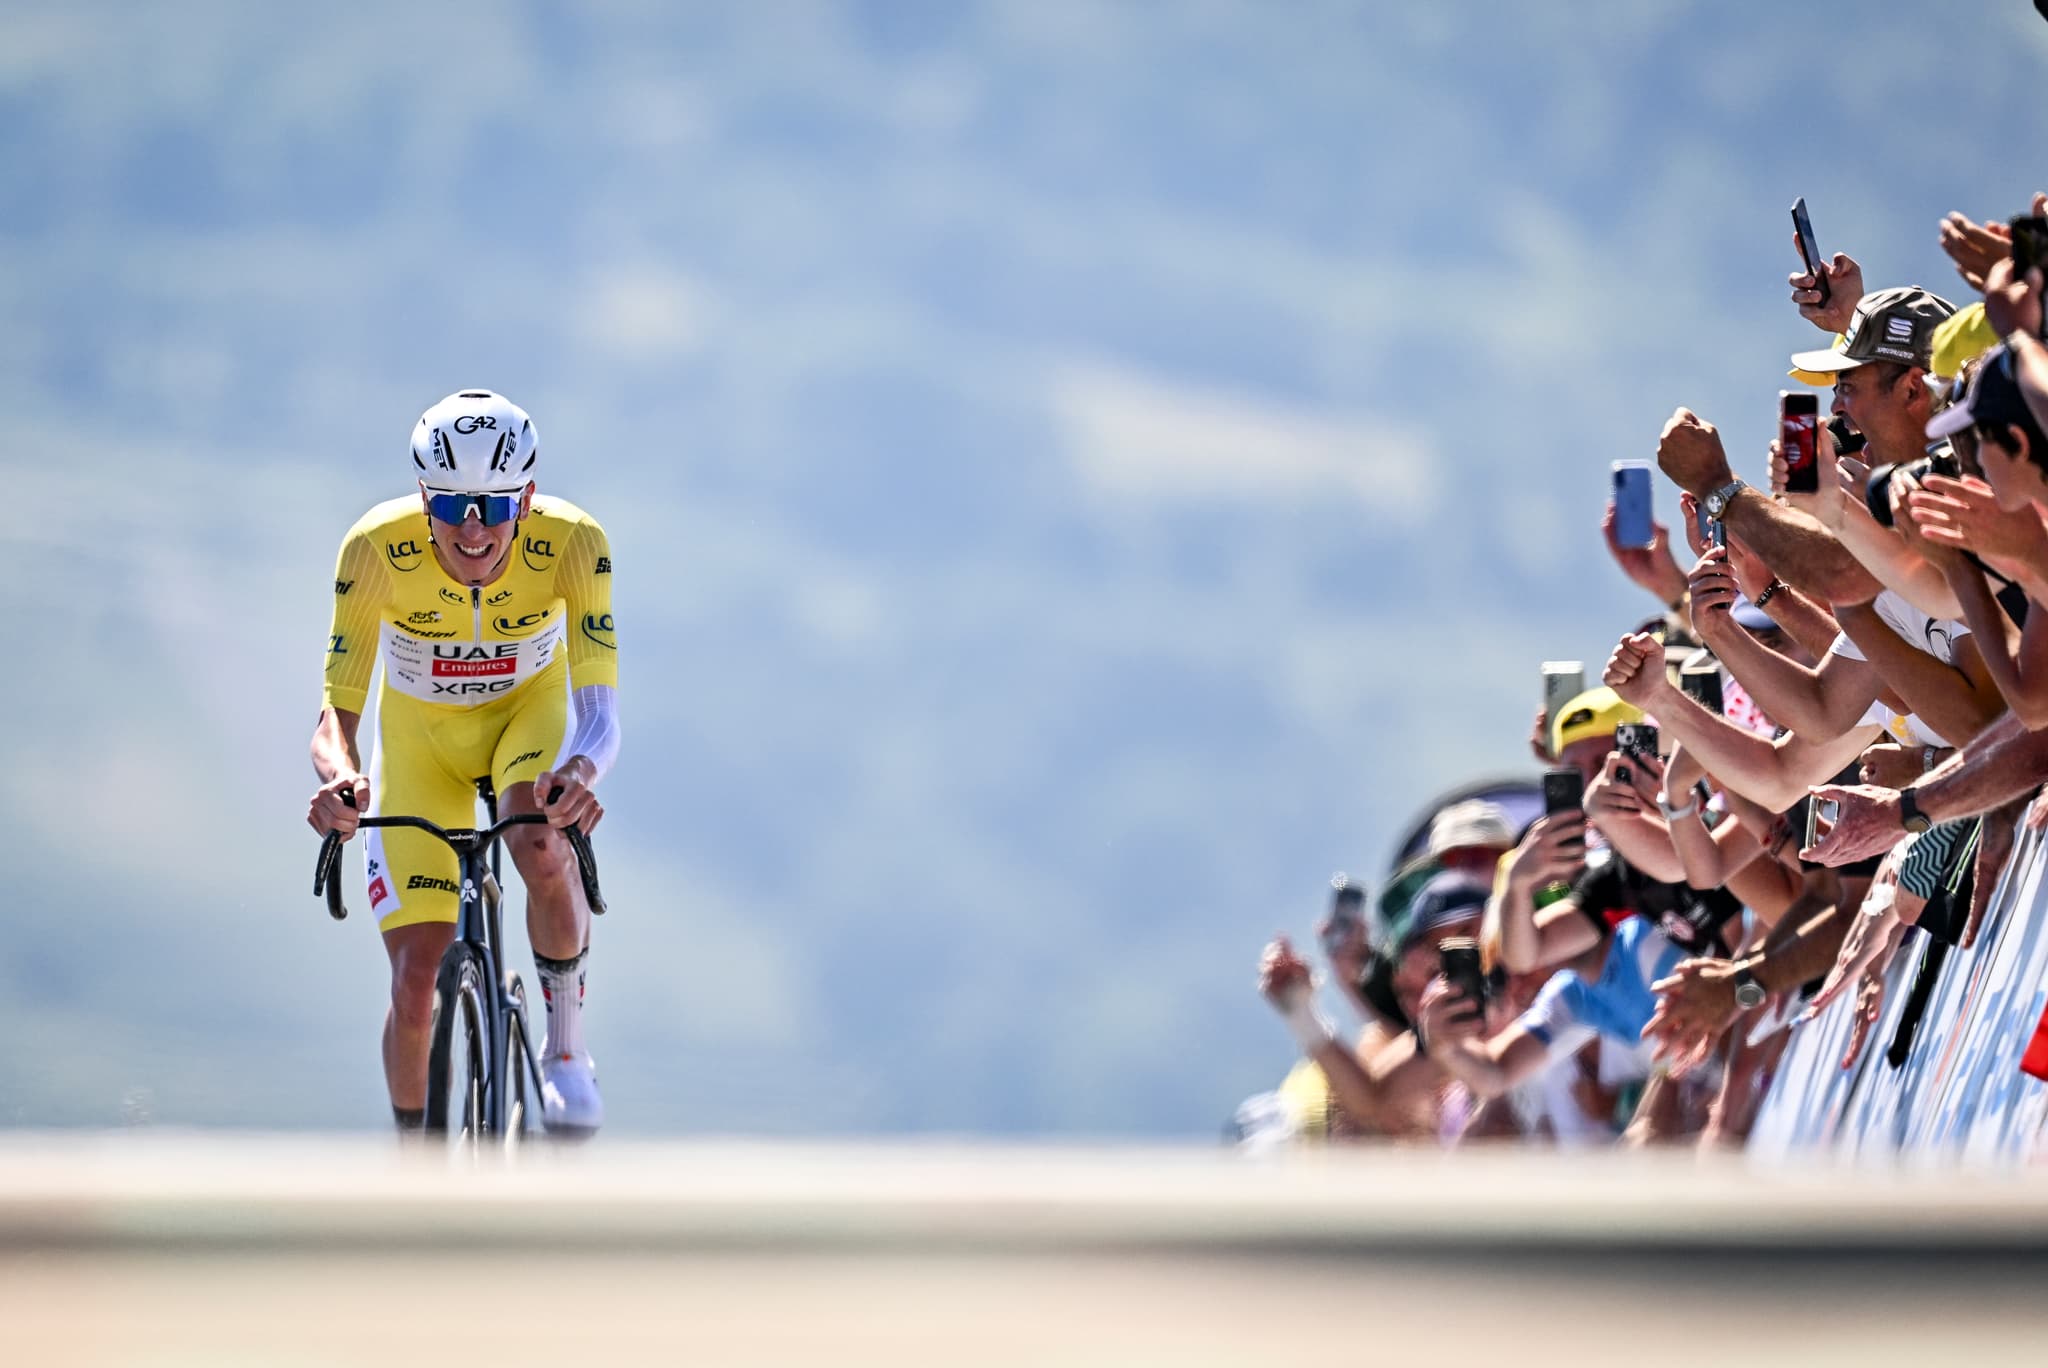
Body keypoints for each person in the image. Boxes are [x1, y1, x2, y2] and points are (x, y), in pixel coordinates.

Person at [305, 390, 620, 1135]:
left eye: (493, 507)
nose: (472, 529)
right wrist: (339, 780)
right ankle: (416, 1169)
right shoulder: (373, 549)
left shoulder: (575, 542)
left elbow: (600, 714)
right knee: (416, 983)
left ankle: (565, 1051)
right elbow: (334, 721)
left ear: (526, 500)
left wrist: (580, 774)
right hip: (422, 745)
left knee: (538, 839)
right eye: (450, 506)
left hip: (525, 722)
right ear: (424, 499)